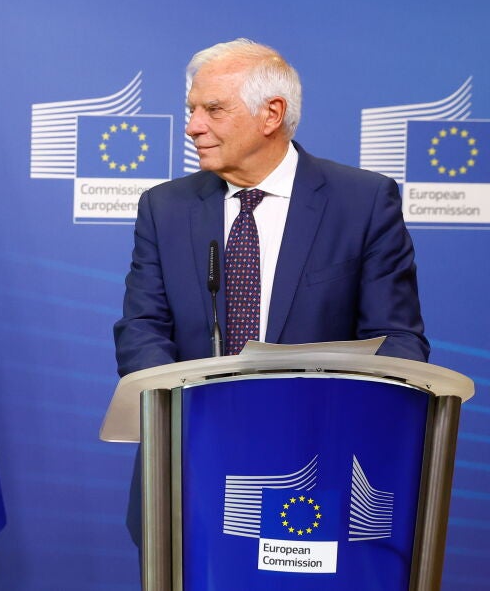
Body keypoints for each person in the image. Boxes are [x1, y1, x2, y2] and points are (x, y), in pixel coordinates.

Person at [113, 38, 428, 544]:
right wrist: (180, 413)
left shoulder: (362, 201)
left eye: (213, 109)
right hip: (189, 466)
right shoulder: (164, 207)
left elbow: (397, 339)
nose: (193, 126)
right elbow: (142, 327)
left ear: (271, 114)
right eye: (192, 110)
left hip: (322, 466)